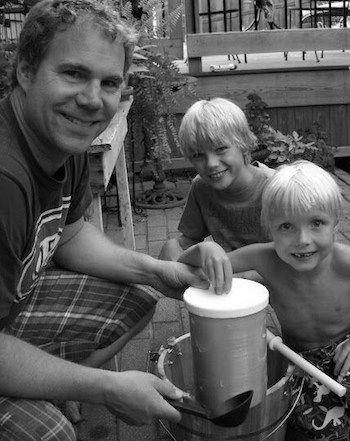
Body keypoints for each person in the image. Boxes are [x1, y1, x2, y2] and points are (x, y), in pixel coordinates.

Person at [0, 1, 209, 439]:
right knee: (49, 433)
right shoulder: (6, 178)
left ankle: (42, 385)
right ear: (24, 70)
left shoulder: (63, 142)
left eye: (109, 82)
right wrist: (106, 388)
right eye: (73, 73)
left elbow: (70, 232)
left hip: (12, 304)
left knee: (138, 301)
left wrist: (157, 271)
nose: (93, 100)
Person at [179, 160, 350, 440]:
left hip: (345, 350)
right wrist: (205, 249)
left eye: (317, 223)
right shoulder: (264, 258)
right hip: (299, 361)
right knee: (315, 430)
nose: (302, 240)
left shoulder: (345, 262)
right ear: (269, 228)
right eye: (286, 227)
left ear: (336, 223)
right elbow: (185, 268)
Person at [159, 97, 274, 294]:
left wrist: (219, 277)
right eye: (198, 155)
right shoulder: (201, 187)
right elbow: (187, 240)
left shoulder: (277, 189)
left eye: (221, 149)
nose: (211, 163)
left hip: (280, 280)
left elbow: (294, 257)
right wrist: (174, 258)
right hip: (231, 281)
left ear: (243, 143)